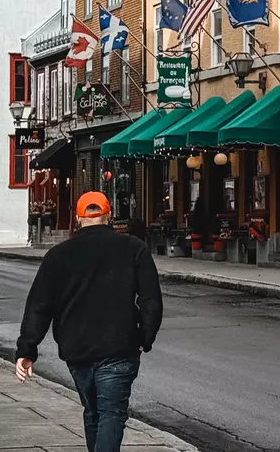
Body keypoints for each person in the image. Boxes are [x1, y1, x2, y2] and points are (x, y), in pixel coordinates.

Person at [16, 191, 163, 452]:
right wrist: (144, 338)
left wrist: (27, 350)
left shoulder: (57, 255)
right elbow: (151, 299)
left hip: (77, 349)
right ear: (109, 215)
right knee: (111, 413)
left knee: (93, 412)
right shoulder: (133, 248)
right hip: (119, 347)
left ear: (77, 218)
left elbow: (39, 305)